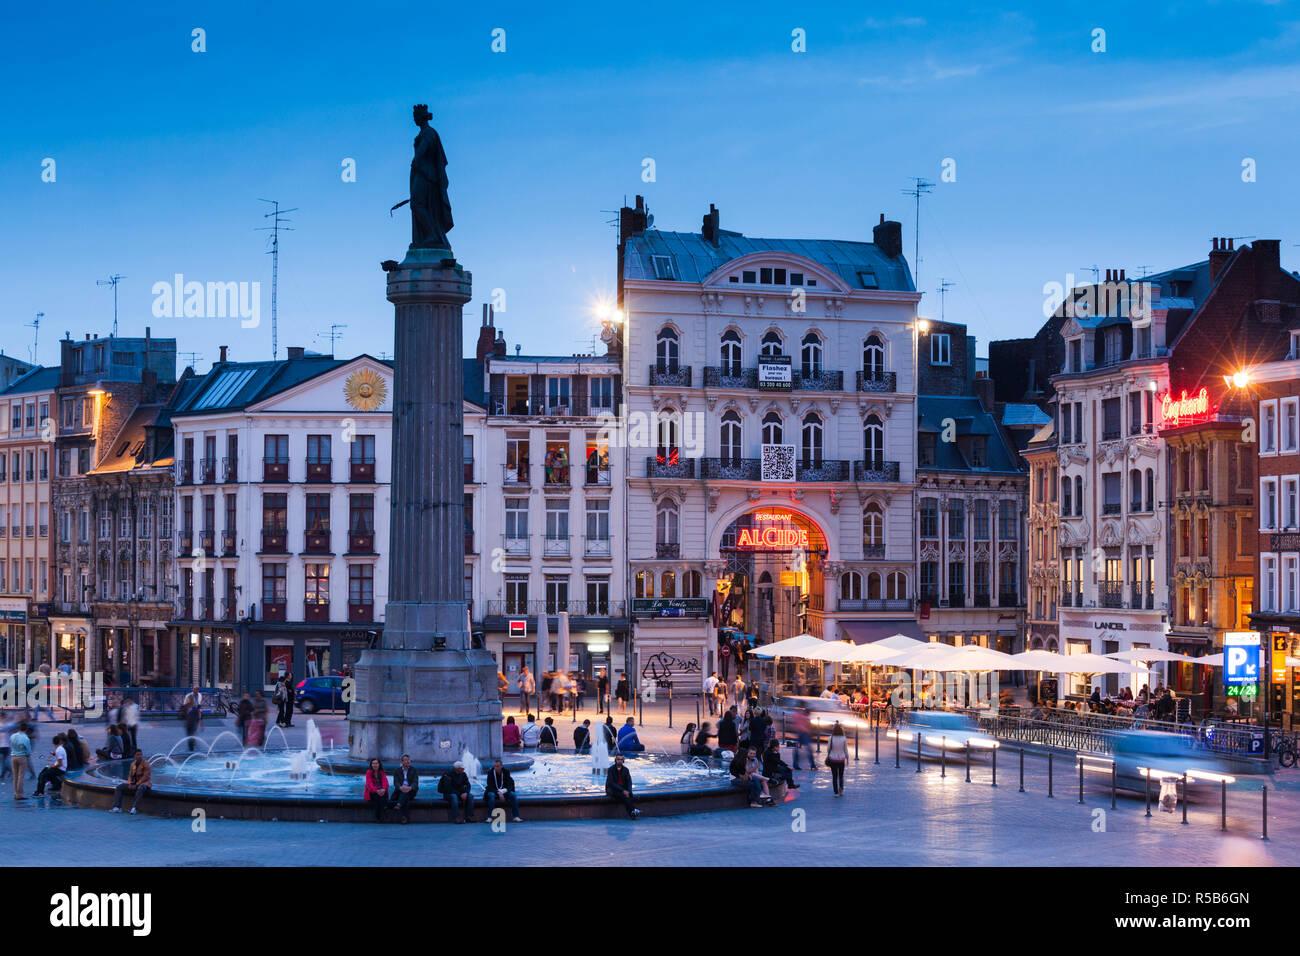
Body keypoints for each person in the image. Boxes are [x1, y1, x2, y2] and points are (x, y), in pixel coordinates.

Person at [484, 758, 522, 823]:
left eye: (498, 766)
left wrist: (504, 791)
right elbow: (489, 786)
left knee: (513, 795)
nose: (496, 768)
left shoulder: (506, 772)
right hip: (493, 791)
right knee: (491, 796)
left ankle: (516, 816)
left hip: (504, 791)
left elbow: (510, 784)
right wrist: (498, 792)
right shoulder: (490, 772)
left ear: (501, 766)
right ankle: (489, 817)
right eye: (495, 766)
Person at [604, 754, 640, 818]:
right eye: (618, 759)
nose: (619, 761)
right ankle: (633, 810)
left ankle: (632, 813)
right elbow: (611, 783)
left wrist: (629, 791)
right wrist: (623, 790)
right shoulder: (611, 769)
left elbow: (629, 782)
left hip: (622, 789)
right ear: (615, 760)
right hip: (612, 789)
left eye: (621, 759)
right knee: (623, 795)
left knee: (629, 795)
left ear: (623, 760)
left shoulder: (626, 770)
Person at [388, 754, 419, 823]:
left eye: (409, 760)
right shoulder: (397, 770)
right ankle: (404, 817)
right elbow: (396, 782)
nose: (408, 761)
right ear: (402, 762)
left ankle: (399, 805)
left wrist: (410, 787)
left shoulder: (414, 770)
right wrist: (400, 787)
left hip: (411, 791)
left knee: (405, 793)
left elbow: (415, 782)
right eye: (406, 760)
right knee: (405, 797)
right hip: (400, 790)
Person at [825, 721, 848, 796]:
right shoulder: (844, 738)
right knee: (841, 775)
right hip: (841, 759)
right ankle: (841, 790)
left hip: (833, 759)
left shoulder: (830, 738)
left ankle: (836, 792)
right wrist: (847, 758)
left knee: (834, 776)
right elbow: (845, 749)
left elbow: (828, 749)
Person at [363, 758, 388, 822]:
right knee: (378, 797)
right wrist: (376, 790)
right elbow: (369, 784)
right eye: (373, 763)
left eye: (376, 763)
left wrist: (383, 789)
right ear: (371, 765)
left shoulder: (382, 772)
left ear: (379, 764)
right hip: (372, 792)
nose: (375, 765)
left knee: (382, 796)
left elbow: (385, 782)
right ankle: (381, 815)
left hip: (382, 791)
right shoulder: (369, 772)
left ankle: (379, 817)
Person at [789, 706, 815, 771]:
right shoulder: (806, 718)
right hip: (805, 734)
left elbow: (794, 718)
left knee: (796, 750)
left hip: (799, 734)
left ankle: (795, 765)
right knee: (809, 750)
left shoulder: (797, 715)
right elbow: (808, 727)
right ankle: (812, 765)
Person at [9, 723, 31, 799]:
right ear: (26, 729)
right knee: (20, 776)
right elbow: (28, 751)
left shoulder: (12, 736)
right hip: (22, 757)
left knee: (15, 776)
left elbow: (11, 744)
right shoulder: (26, 738)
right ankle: (20, 794)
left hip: (13, 756)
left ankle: (15, 793)